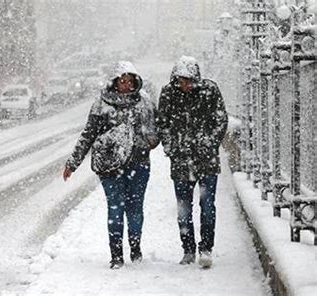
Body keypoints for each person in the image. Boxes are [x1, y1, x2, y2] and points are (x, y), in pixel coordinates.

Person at [63, 61, 159, 269]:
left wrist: (145, 143)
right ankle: (116, 254)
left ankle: (135, 248)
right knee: (115, 208)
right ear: (115, 82)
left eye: (129, 81)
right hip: (110, 167)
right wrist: (73, 162)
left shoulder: (145, 103)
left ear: (135, 82)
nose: (125, 85)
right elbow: (88, 134)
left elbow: (156, 131)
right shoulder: (101, 105)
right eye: (122, 81)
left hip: (139, 164)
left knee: (135, 209)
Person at [157, 56, 228, 268]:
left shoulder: (210, 91)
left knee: (207, 206)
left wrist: (209, 143)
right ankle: (187, 249)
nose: (185, 85)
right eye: (181, 80)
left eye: (188, 80)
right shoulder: (169, 94)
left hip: (206, 161)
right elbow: (162, 123)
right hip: (181, 161)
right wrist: (171, 147)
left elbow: (221, 119)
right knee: (183, 208)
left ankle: (206, 248)